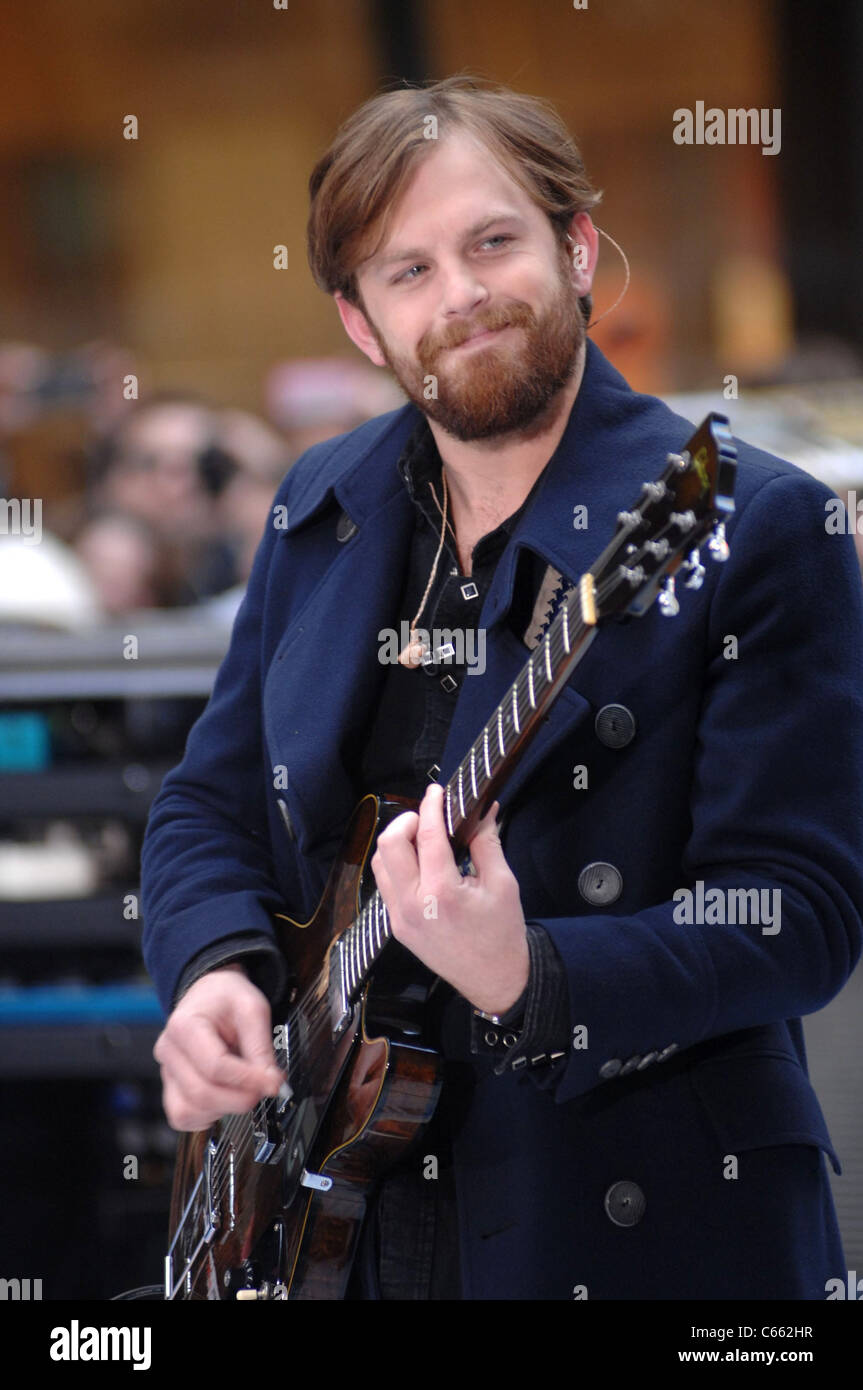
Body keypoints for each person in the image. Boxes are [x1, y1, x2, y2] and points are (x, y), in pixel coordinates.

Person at [141, 74, 863, 1300]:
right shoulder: (322, 508)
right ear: (362, 326)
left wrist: (532, 975)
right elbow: (206, 808)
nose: (461, 296)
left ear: (576, 248)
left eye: (492, 242)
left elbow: (797, 915)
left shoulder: (747, 521)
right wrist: (215, 971)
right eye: (407, 271)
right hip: (344, 1223)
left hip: (633, 1215)